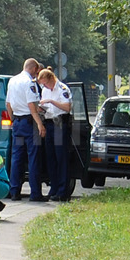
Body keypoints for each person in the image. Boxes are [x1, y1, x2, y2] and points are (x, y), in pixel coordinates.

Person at [5, 58, 46, 201]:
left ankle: (14, 191)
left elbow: (8, 104)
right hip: (30, 123)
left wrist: (13, 120)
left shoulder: (12, 80)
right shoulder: (30, 82)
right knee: (33, 158)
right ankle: (35, 194)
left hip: (17, 122)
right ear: (34, 69)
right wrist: (40, 124)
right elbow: (32, 106)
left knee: (17, 158)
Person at [37, 68, 73, 201]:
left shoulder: (62, 89)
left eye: (45, 83)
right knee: (50, 157)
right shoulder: (45, 90)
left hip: (60, 123)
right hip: (49, 122)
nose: (44, 86)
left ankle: (63, 191)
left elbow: (67, 107)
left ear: (51, 79)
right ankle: (54, 188)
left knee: (61, 158)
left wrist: (51, 102)